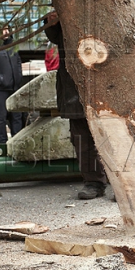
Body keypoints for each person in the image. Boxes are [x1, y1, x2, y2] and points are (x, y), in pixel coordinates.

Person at [44, 11, 109, 199]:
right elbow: (56, 38)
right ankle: (93, 182)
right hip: (73, 84)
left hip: (100, 79)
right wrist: (52, 23)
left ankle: (121, 182)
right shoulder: (63, 7)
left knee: (111, 134)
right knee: (81, 137)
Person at [0, 26, 23, 144]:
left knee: (17, 117)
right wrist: (0, 80)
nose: (6, 32)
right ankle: (3, 144)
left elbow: (18, 63)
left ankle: (17, 143)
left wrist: (18, 77)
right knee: (1, 118)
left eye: (7, 29)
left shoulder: (12, 46)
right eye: (2, 29)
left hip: (14, 88)